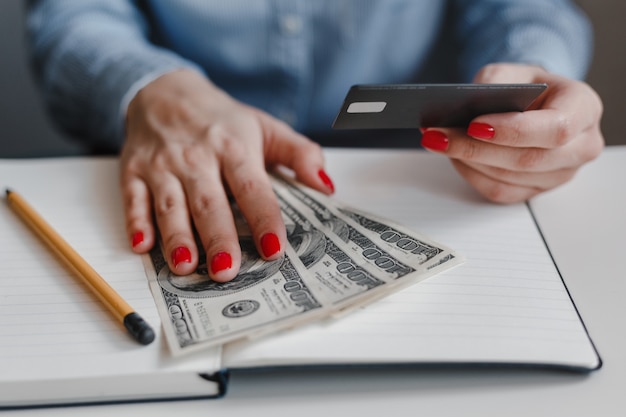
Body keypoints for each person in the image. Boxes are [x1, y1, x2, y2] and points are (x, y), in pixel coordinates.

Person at [26, 1, 604, 284]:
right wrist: (151, 90)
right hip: (169, 165)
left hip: (431, 186)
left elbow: (528, 8)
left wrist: (533, 81)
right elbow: (70, 14)